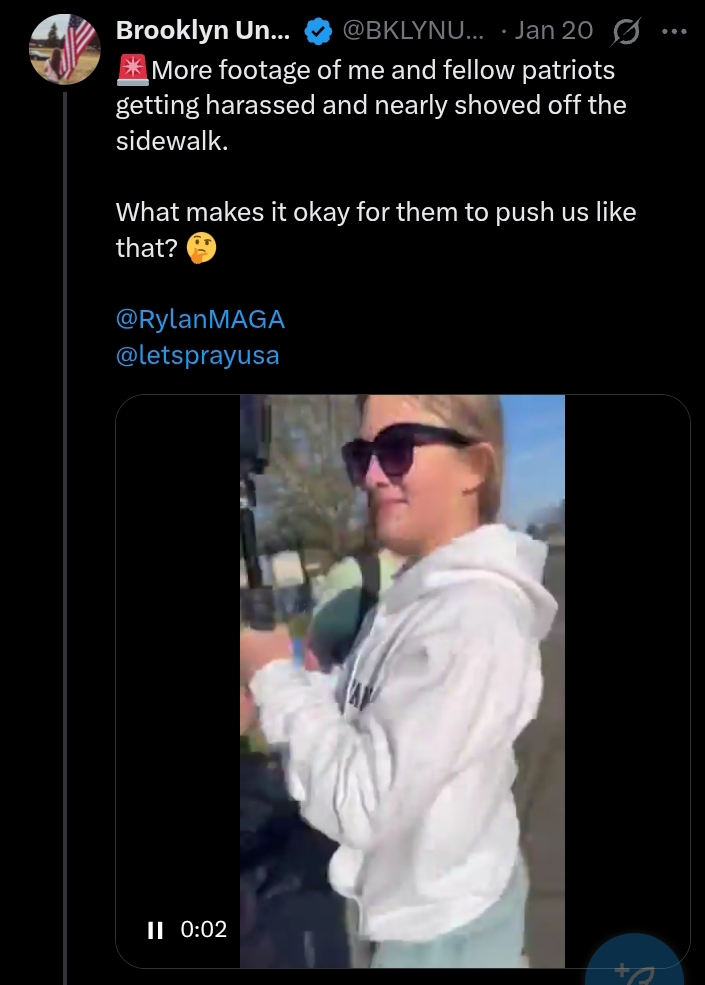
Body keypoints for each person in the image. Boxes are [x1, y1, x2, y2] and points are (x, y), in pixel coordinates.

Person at [240, 395, 557, 968]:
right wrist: (274, 694)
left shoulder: (471, 620)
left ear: (474, 466)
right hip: (413, 913)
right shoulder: (418, 597)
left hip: (440, 939)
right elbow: (360, 717)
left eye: (397, 449)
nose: (371, 476)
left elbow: (361, 805)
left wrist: (273, 676)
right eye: (360, 455)